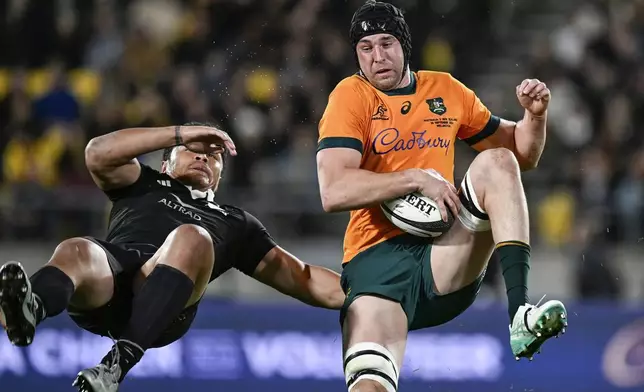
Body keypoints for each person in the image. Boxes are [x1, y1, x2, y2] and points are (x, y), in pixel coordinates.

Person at [316, 1, 568, 391]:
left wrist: (535, 117)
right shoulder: (350, 96)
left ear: (404, 44)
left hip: (445, 252)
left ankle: (519, 314)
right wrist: (415, 178)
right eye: (366, 48)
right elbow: (333, 190)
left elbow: (521, 156)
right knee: (370, 387)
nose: (378, 56)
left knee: (497, 162)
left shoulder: (445, 90)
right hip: (375, 267)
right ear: (356, 55)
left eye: (386, 43)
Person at [0, 122, 345, 392]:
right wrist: (180, 132)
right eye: (192, 150)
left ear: (220, 175)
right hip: (109, 283)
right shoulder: (144, 182)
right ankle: (31, 309)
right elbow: (97, 153)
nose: (203, 156)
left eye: (213, 155)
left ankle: (116, 365)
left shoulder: (235, 223)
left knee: (192, 236)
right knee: (75, 248)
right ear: (166, 163)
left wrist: (376, 290)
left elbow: (305, 278)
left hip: (167, 303)